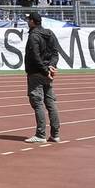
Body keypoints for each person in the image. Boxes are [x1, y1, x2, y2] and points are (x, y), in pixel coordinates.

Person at [23, 12, 61, 143]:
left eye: (29, 20)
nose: (28, 22)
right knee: (51, 103)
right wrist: (51, 66)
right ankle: (55, 134)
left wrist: (46, 70)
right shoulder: (49, 33)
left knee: (38, 102)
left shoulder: (34, 36)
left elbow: (35, 56)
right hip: (47, 73)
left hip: (37, 73)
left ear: (33, 21)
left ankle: (40, 135)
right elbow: (55, 53)